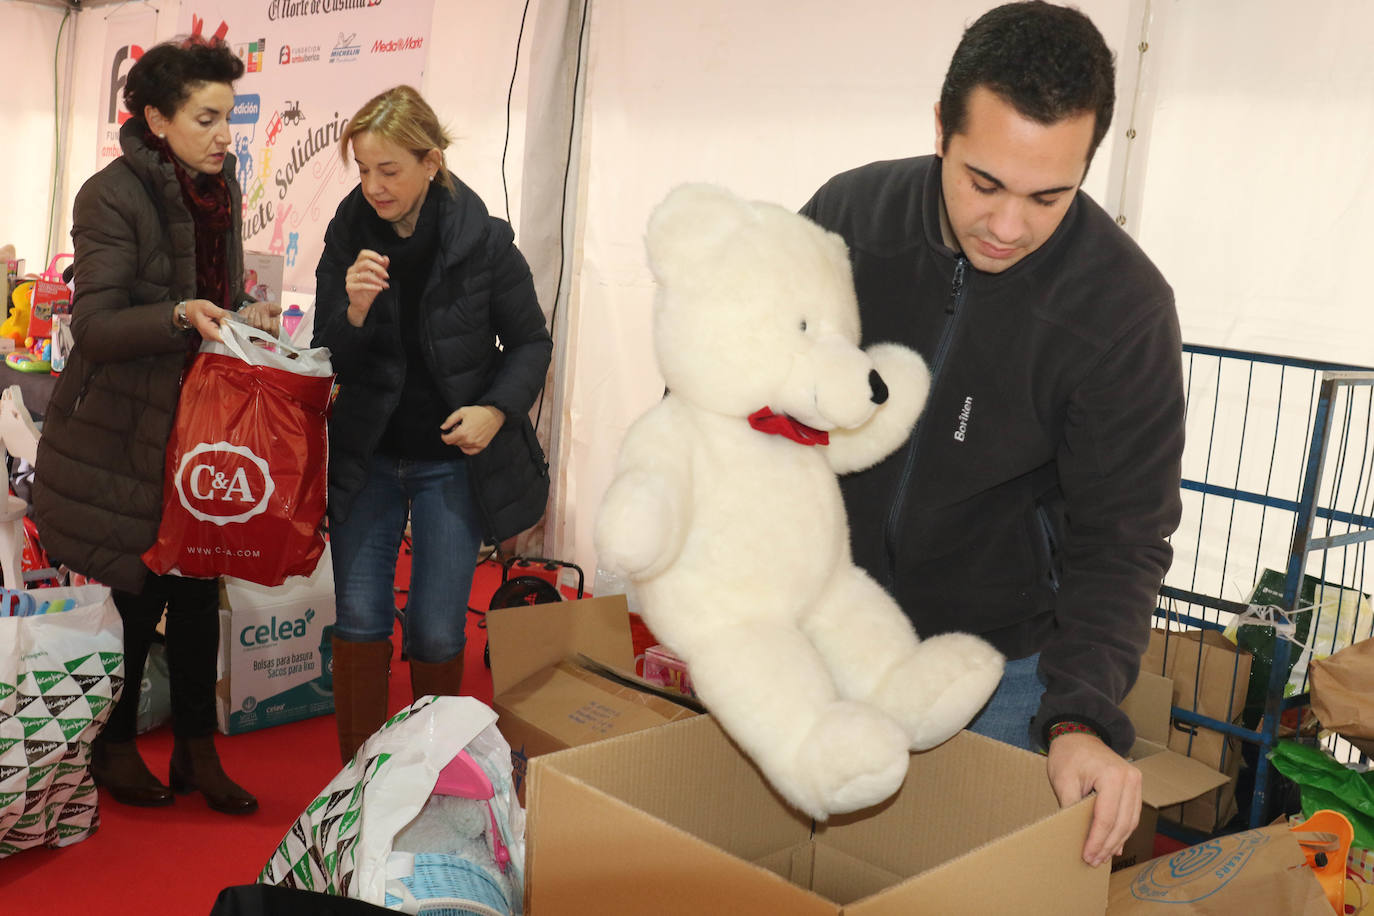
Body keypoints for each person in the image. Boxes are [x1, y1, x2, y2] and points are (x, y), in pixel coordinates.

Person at [800, 1, 1184, 867]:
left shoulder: (1122, 311)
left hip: (998, 674)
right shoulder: (850, 216)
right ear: (941, 129)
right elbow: (737, 375)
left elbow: (1121, 540)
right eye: (984, 183)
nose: (1008, 227)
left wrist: (1081, 715)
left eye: (1050, 194)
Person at [33, 37, 280, 814]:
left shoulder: (220, 187)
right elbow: (98, 324)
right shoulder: (110, 195)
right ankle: (112, 745)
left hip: (200, 428)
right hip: (121, 432)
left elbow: (216, 292)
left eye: (228, 120)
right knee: (137, 596)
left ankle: (196, 754)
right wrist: (179, 315)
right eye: (206, 119)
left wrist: (244, 317)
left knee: (201, 586)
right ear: (155, 118)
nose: (222, 136)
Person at [314, 86, 552, 764]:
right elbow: (330, 350)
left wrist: (496, 410)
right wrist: (354, 311)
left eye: (389, 170)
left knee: (438, 629)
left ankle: (430, 771)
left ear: (432, 162)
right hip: (368, 455)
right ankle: (357, 780)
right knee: (359, 619)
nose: (373, 185)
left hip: (453, 461)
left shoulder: (483, 241)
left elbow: (531, 342)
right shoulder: (348, 233)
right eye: (362, 169)